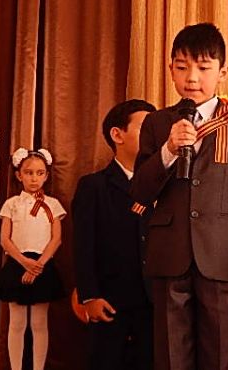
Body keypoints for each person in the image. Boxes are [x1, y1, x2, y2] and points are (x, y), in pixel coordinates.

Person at [130, 22, 228, 370]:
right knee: (171, 357)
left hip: (222, 259)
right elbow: (140, 192)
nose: (192, 78)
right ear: (171, 69)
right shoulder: (157, 123)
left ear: (223, 72)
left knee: (220, 356)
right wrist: (168, 150)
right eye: (182, 67)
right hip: (169, 256)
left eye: (203, 68)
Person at [72, 99, 156, 370]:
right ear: (117, 135)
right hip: (110, 302)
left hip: (156, 303)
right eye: (145, 128)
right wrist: (90, 296)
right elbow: (83, 245)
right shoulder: (93, 186)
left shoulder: (167, 185)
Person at [0, 148, 65, 370]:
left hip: (42, 265)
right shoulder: (11, 204)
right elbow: (5, 240)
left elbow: (56, 239)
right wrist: (24, 262)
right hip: (17, 264)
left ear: (46, 175)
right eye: (28, 173)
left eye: (39, 173)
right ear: (19, 175)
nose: (34, 178)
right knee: (16, 322)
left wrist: (38, 265)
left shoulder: (52, 205)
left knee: (39, 322)